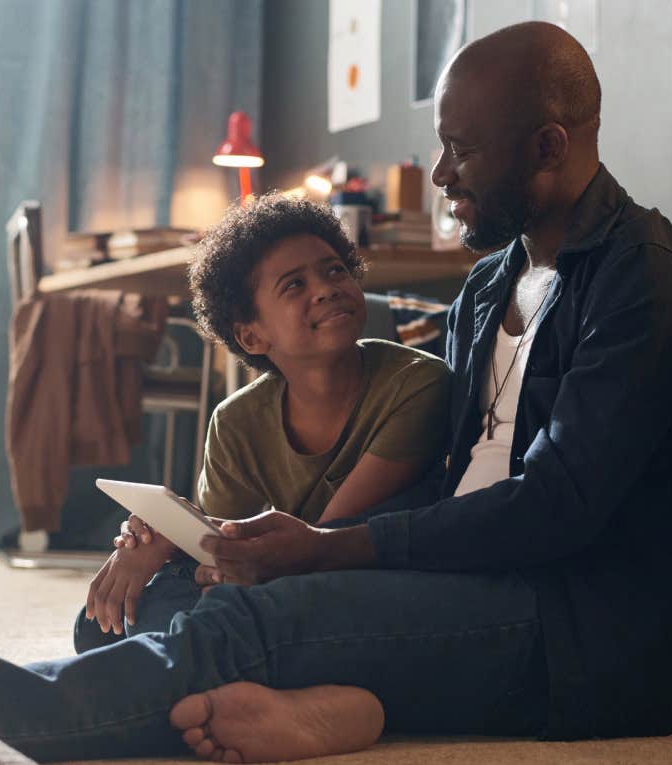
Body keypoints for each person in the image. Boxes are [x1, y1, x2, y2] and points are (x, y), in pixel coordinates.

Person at [0, 20, 672, 764]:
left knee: (246, 624)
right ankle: (339, 708)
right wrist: (268, 548)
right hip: (468, 584)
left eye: (461, 152)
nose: (438, 175)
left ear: (549, 148)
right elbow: (452, 489)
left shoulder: (646, 282)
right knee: (142, 602)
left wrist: (331, 551)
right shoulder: (487, 283)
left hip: (580, 636)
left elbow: (555, 511)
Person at [77, 194, 451, 649]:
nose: (327, 287)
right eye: (294, 285)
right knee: (100, 623)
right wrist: (160, 540)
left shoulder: (418, 383)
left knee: (195, 619)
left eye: (335, 270)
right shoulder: (235, 421)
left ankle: (194, 659)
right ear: (252, 335)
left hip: (351, 581)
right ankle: (198, 654)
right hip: (266, 586)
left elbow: (324, 542)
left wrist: (183, 549)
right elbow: (217, 554)